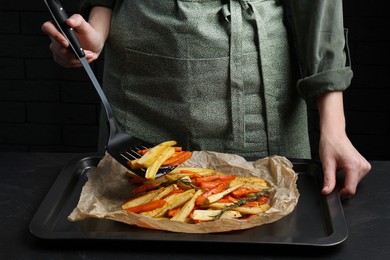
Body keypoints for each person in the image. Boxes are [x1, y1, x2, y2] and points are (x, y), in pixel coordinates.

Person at [42, 0, 371, 199]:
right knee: (128, 226)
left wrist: (334, 126)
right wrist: (95, 31)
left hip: (257, 95)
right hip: (139, 86)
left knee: (271, 222)